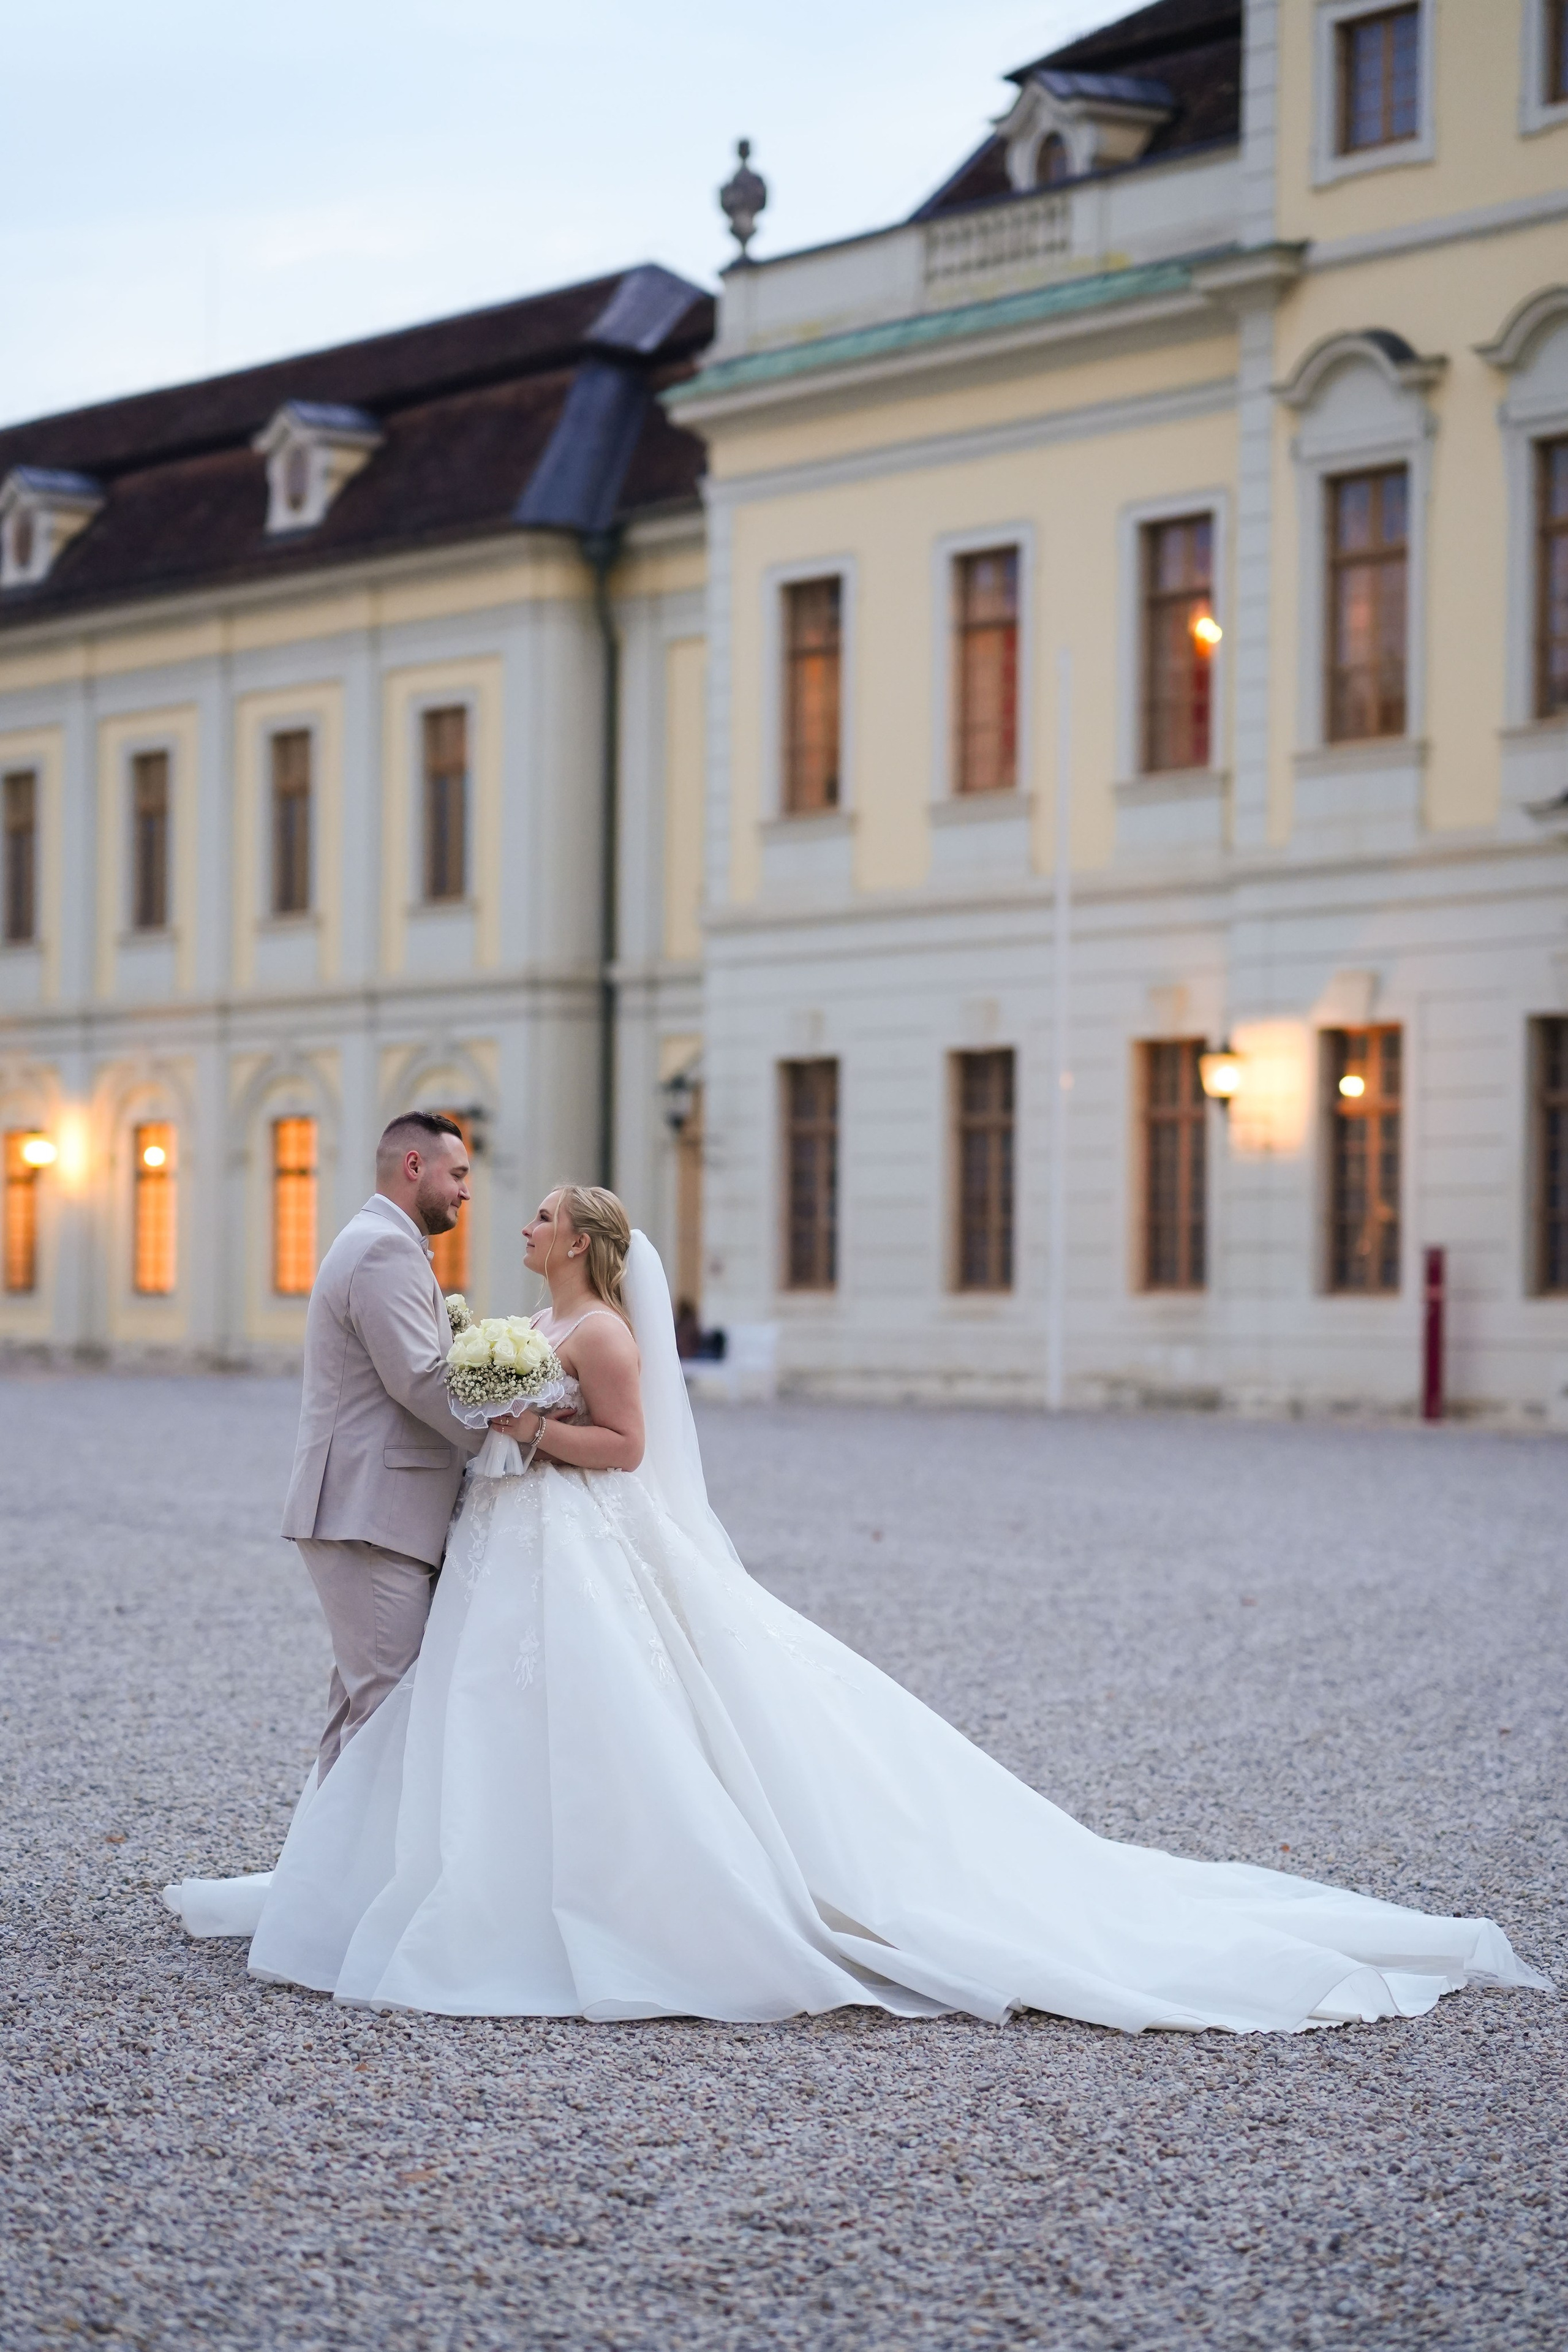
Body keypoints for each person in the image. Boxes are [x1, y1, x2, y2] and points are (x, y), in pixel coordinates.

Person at [167, 1188, 1550, 2032]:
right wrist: (508, 1413)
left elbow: (628, 1450)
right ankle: (471, 1880)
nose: (516, 1221)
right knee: (495, 1714)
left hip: (568, 1528)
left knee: (605, 1712)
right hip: (520, 1542)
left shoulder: (593, 1333)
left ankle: (599, 1899)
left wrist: (526, 1429)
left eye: (537, 1214)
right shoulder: (545, 1327)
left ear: (580, 1246)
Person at [279, 1111, 483, 1779]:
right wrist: (514, 1436)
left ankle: (324, 1873)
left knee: (362, 1709)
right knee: (391, 1711)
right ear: (413, 1167)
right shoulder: (383, 1249)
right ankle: (362, 1880)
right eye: (457, 1174)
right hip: (371, 1513)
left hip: (375, 1511)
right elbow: (419, 1380)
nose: (465, 1192)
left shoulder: (380, 1242)